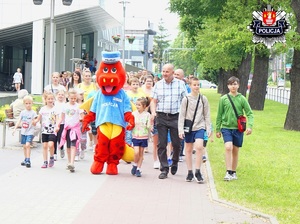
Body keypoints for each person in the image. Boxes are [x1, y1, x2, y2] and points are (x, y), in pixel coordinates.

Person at [150, 63, 188, 179]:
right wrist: (153, 112)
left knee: (176, 144)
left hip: (175, 117)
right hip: (161, 116)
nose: (164, 74)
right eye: (163, 71)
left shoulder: (180, 84)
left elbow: (185, 100)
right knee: (161, 144)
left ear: (172, 72)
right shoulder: (158, 85)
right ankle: (164, 168)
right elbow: (153, 101)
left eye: (167, 72)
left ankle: (175, 161)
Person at [215, 76, 254, 181]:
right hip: (226, 128)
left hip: (238, 129)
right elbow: (219, 115)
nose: (233, 86)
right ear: (228, 86)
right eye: (231, 84)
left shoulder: (242, 99)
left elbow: (250, 113)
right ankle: (228, 172)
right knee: (228, 147)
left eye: (235, 84)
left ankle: (233, 171)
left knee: (235, 150)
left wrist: (250, 126)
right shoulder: (223, 99)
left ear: (238, 85)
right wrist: (217, 129)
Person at [178, 77, 212, 183]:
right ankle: (189, 172)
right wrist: (180, 129)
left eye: (198, 85)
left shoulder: (203, 99)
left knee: (199, 146)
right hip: (189, 127)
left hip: (200, 126)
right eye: (194, 85)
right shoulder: (186, 99)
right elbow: (182, 115)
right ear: (190, 86)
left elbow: (207, 114)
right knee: (188, 149)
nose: (196, 87)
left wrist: (208, 127)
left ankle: (198, 170)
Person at [56, 88, 84, 173]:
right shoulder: (65, 106)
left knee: (73, 145)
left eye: (74, 98)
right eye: (71, 98)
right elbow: (62, 117)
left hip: (75, 129)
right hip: (67, 128)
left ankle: (72, 163)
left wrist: (82, 119)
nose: (73, 100)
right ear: (68, 97)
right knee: (68, 147)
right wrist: (57, 125)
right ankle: (69, 162)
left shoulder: (78, 106)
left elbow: (82, 116)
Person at [32, 92, 59, 168]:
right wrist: (35, 122)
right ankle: (45, 161)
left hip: (53, 130)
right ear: (46, 100)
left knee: (51, 144)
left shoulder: (55, 109)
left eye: (52, 99)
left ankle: (51, 157)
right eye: (49, 99)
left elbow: (57, 119)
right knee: (44, 146)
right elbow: (38, 118)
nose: (50, 100)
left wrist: (57, 126)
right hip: (44, 130)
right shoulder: (43, 109)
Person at [12, 95, 37, 168]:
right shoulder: (23, 112)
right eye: (26, 103)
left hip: (30, 131)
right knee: (24, 146)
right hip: (23, 132)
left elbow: (35, 120)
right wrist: (15, 129)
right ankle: (25, 159)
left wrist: (34, 122)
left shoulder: (33, 113)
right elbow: (19, 121)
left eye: (29, 103)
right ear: (24, 104)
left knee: (27, 145)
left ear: (32, 103)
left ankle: (28, 160)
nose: (28, 105)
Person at [131, 97, 152, 177]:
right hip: (135, 135)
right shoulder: (133, 113)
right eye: (136, 104)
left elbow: (149, 125)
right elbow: (131, 123)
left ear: (144, 106)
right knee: (136, 152)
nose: (137, 106)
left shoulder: (147, 115)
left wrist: (150, 129)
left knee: (141, 153)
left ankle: (138, 169)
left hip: (143, 136)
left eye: (139, 105)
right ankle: (135, 164)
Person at [54, 90, 66, 160]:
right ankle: (54, 153)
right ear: (56, 96)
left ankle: (61, 148)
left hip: (62, 123)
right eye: (59, 94)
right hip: (54, 123)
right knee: (54, 138)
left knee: (60, 138)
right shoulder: (54, 104)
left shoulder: (65, 104)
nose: (60, 96)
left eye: (62, 95)